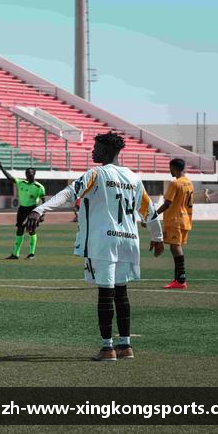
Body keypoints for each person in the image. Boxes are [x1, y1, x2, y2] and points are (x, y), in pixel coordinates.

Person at [25, 132, 164, 361]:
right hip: (128, 239)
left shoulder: (96, 174)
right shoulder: (134, 178)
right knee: (121, 292)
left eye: (96, 147)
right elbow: (149, 211)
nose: (93, 151)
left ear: (106, 151)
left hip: (104, 240)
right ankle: (125, 345)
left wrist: (39, 209)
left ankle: (107, 348)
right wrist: (157, 237)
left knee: (106, 293)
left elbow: (69, 193)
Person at [0, 159, 45, 259]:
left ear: (34, 173)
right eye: (26, 173)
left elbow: (44, 201)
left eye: (30, 173)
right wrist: (1, 166)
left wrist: (42, 214)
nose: (28, 174)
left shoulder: (39, 187)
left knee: (31, 230)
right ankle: (15, 254)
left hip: (32, 210)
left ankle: (32, 254)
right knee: (19, 230)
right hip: (22, 209)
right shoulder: (21, 183)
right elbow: (9, 178)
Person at [157, 158, 194, 289]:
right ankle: (179, 279)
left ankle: (181, 280)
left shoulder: (175, 183)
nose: (170, 171)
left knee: (176, 247)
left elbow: (168, 203)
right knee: (175, 247)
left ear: (174, 168)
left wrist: (154, 214)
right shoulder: (189, 182)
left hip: (175, 220)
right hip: (185, 219)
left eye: (170, 168)